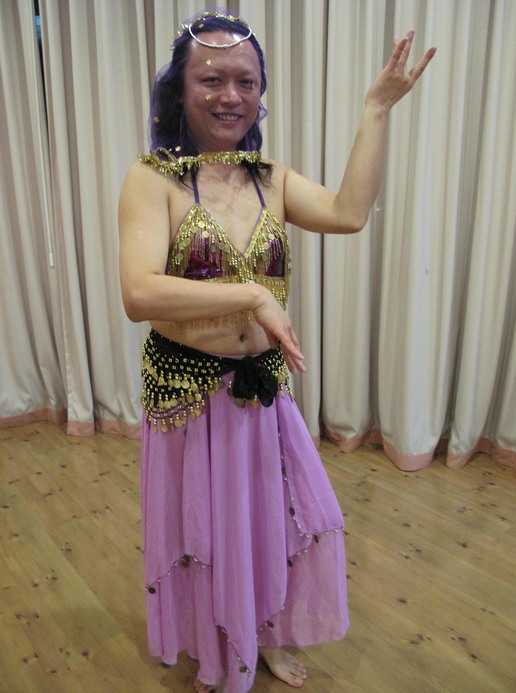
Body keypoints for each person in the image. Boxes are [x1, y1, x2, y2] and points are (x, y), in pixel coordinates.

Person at [119, 10, 436, 693]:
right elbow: (139, 293)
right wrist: (252, 296)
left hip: (261, 390)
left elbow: (349, 213)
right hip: (189, 396)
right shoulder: (153, 178)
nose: (230, 95)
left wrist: (376, 111)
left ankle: (263, 634)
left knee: (271, 524)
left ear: (261, 92)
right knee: (207, 530)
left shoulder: (272, 178)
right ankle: (217, 646)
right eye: (211, 80)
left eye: (246, 81)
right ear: (180, 89)